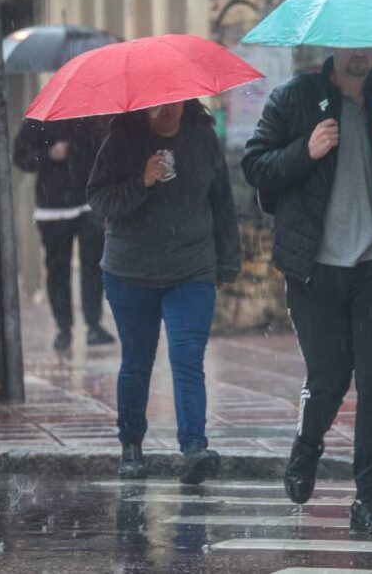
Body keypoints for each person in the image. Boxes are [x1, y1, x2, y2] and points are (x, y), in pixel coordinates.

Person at [242, 48, 372, 535]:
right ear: (333, 46)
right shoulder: (294, 98)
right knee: (329, 378)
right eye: (351, 46)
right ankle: (308, 445)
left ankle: (367, 499)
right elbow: (256, 168)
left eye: (369, 46)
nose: (360, 56)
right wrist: (305, 151)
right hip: (314, 263)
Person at [87, 99, 240, 485]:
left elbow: (222, 201)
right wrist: (142, 180)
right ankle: (132, 445)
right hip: (130, 272)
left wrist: (227, 262)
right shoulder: (122, 141)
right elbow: (100, 201)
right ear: (143, 106)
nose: (165, 110)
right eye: (155, 104)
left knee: (187, 358)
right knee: (137, 361)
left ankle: (194, 448)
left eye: (172, 101)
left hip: (191, 269)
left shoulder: (202, 138)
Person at [13, 118, 116, 350]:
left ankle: (93, 324)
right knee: (58, 269)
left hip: (88, 203)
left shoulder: (90, 119)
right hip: (53, 207)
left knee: (93, 265)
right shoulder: (39, 119)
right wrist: (49, 154)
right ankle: (63, 328)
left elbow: (104, 153)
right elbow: (21, 157)